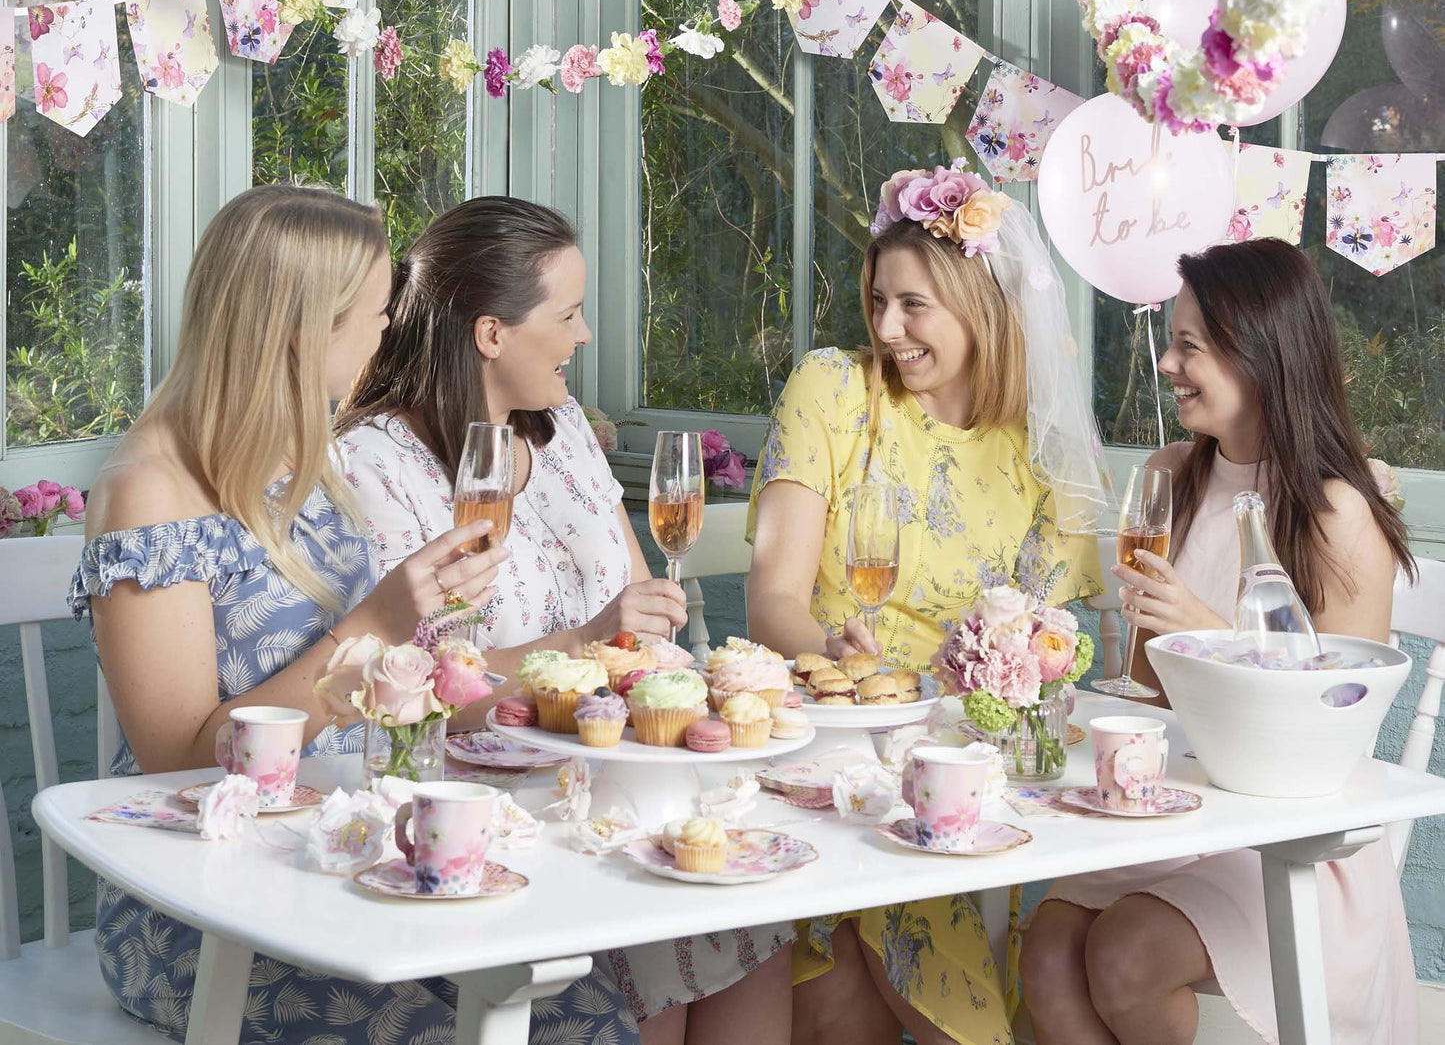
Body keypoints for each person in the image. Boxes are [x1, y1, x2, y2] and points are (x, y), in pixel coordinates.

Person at [70, 184, 639, 1045]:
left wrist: (481, 643)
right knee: (560, 1028)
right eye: (375, 314)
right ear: (303, 328)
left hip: (339, 858)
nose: (390, 333)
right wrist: (376, 622)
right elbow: (176, 765)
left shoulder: (303, 456)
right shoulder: (151, 489)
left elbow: (391, 685)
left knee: (587, 1007)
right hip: (212, 907)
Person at [337, 195, 794, 1045]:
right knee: (655, 940)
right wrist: (585, 641)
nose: (585, 336)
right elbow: (424, 687)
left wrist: (646, 636)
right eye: (570, 313)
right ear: (491, 334)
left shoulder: (566, 431)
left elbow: (631, 613)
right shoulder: (375, 466)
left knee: (752, 923)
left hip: (610, 772)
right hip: (489, 805)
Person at [747, 163, 1111, 1045]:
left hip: (964, 761)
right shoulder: (833, 389)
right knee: (841, 991)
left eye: (913, 306)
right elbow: (772, 606)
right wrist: (859, 676)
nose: (887, 329)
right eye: (878, 301)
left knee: (858, 979)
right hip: (827, 734)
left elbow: (1045, 643)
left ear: (980, 305)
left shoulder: (1037, 442)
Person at [1022, 237, 1418, 1045]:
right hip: (1179, 804)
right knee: (1045, 952)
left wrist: (1206, 631)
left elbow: (1337, 729)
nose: (1167, 363)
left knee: (1127, 954)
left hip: (1290, 836)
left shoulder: (1337, 512)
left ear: (1261, 354)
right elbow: (1152, 694)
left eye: (1188, 345)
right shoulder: (1173, 476)